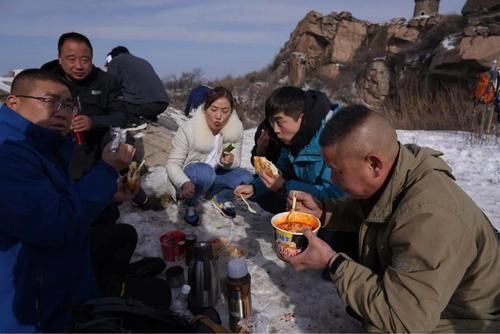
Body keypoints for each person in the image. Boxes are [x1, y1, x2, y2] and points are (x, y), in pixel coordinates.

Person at [285, 105, 500, 332]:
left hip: (474, 317)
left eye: (337, 171)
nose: (333, 180)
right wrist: (323, 211)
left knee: (382, 326)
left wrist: (333, 262)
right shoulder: (398, 170)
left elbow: (402, 320)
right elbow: (373, 210)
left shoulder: (429, 217)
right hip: (441, 298)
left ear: (374, 164)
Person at [0, 69, 135, 332]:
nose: (62, 112)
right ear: (13, 102)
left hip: (59, 272)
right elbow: (54, 224)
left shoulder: (39, 145)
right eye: (50, 101)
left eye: (69, 105)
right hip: (36, 305)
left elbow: (56, 198)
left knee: (122, 236)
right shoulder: (7, 154)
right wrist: (107, 170)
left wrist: (108, 195)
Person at [42, 32, 161, 213]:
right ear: (60, 58)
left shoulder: (105, 81)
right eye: (71, 59)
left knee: (124, 149)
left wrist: (93, 121)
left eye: (85, 59)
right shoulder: (46, 80)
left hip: (99, 135)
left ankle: (138, 197)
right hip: (62, 140)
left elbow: (121, 115)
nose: (79, 66)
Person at [235, 86, 343, 214]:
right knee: (265, 196)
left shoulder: (334, 138)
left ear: (301, 117)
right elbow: (281, 170)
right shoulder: (294, 139)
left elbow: (336, 195)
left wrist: (283, 186)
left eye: (280, 122)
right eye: (272, 123)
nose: (275, 130)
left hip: (338, 212)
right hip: (309, 197)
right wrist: (254, 188)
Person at [166, 86, 253, 225]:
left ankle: (221, 198)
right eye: (214, 109)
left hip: (215, 175)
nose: (219, 116)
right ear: (205, 108)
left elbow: (236, 160)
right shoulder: (190, 128)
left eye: (225, 111)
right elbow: (172, 163)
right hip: (191, 178)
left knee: (246, 176)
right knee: (205, 172)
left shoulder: (235, 129)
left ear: (231, 112)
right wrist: (183, 182)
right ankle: (190, 204)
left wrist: (229, 162)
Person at [105, 45, 170, 124]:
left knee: (112, 100)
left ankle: (134, 122)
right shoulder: (143, 61)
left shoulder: (115, 61)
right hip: (162, 104)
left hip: (143, 105)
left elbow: (110, 86)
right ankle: (150, 118)